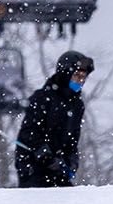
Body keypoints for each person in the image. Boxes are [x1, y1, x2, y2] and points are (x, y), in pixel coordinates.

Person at [16, 49, 93, 189]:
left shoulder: (77, 106)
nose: (80, 81)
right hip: (33, 168)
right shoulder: (42, 98)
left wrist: (72, 161)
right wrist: (45, 156)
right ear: (66, 74)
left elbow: (73, 140)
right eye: (76, 76)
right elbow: (29, 133)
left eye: (83, 77)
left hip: (58, 170)